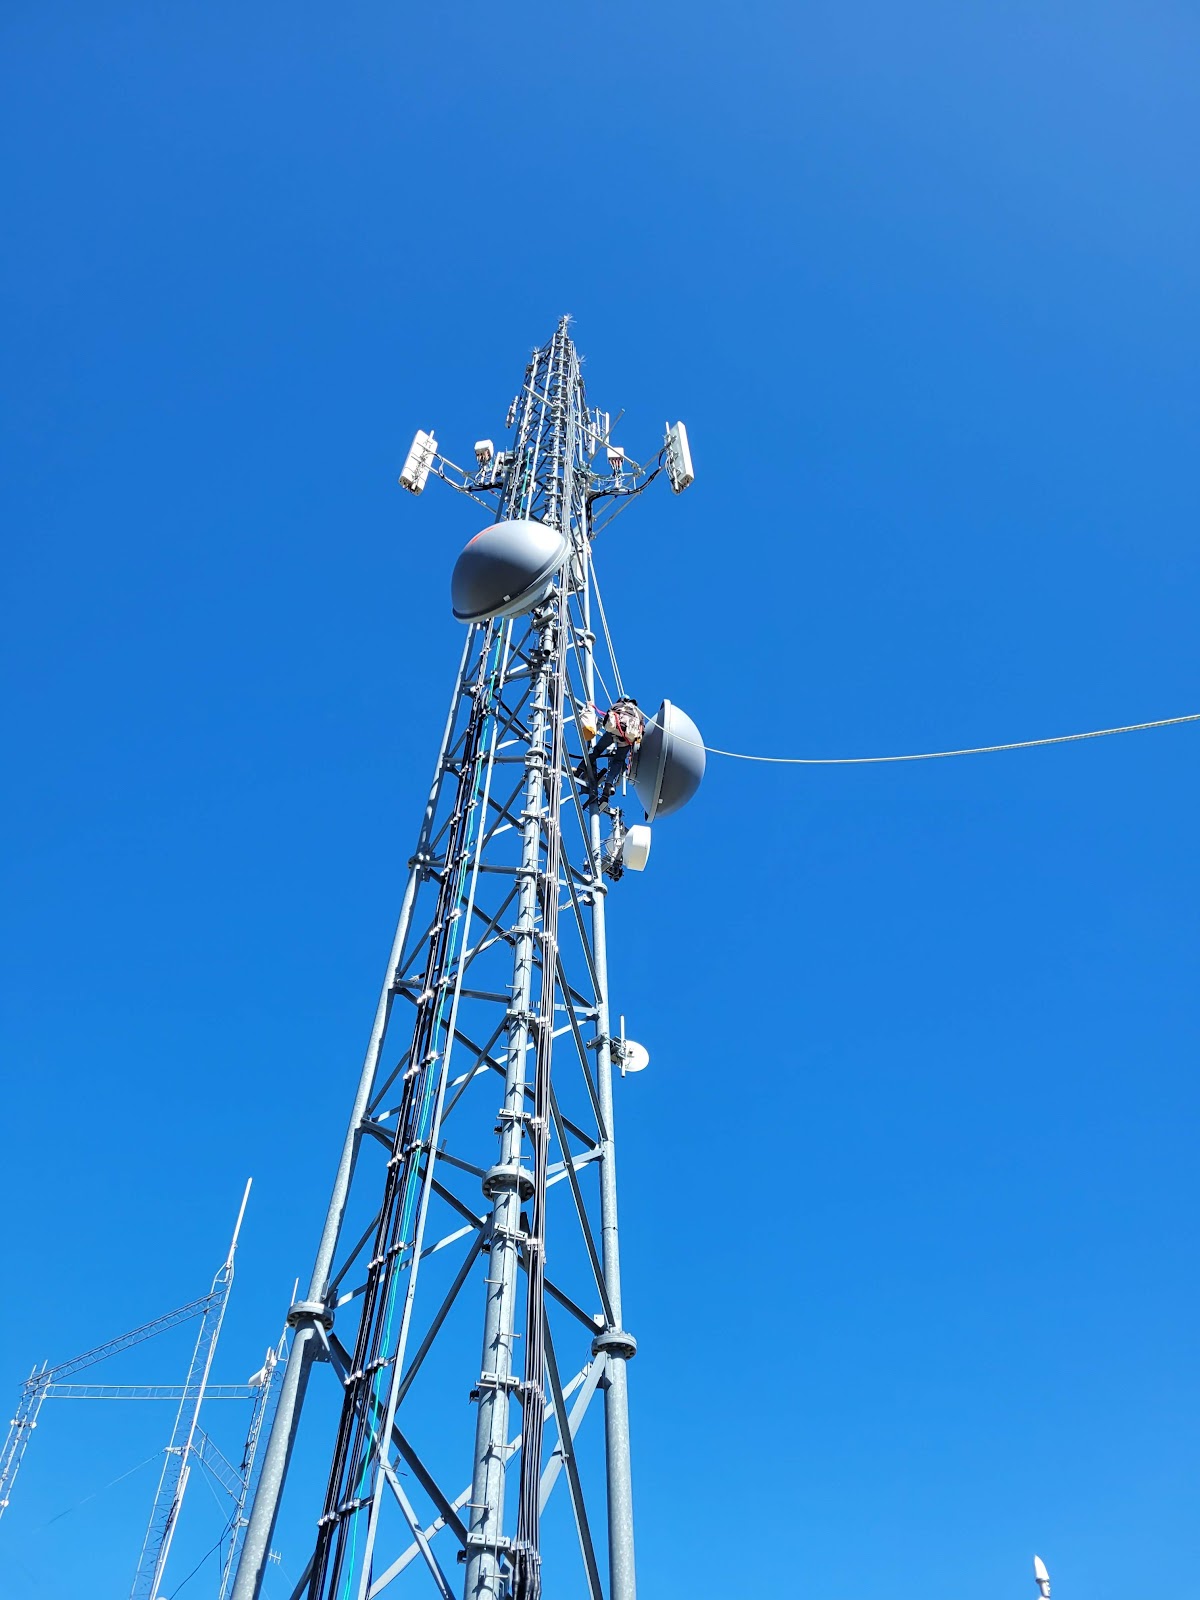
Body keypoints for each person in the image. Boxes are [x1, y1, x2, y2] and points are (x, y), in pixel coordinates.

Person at [575, 696, 645, 804]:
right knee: (618, 761)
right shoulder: (639, 713)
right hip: (628, 738)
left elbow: (609, 713)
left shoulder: (620, 705)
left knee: (597, 750)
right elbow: (642, 731)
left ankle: (580, 769)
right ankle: (608, 784)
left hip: (614, 731)